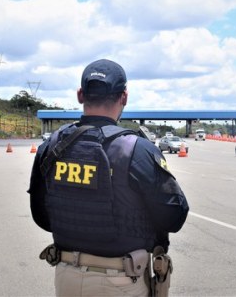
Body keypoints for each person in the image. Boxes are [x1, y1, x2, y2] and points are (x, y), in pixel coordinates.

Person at [28, 59, 189, 296]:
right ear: (124, 97)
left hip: (66, 277)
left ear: (80, 95)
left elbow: (41, 216)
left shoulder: (52, 146)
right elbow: (174, 217)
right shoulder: (136, 149)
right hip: (121, 280)